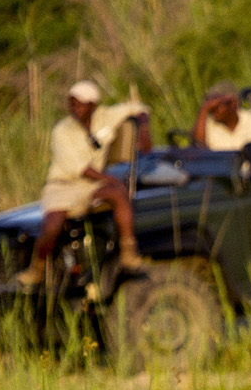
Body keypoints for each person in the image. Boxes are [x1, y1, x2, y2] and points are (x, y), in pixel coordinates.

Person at [16, 80, 150, 288]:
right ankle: (37, 268)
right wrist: (111, 179)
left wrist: (143, 129)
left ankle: (129, 252)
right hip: (64, 185)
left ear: (93, 105)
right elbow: (79, 168)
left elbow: (139, 108)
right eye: (72, 103)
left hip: (91, 185)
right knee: (52, 226)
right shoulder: (62, 131)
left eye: (80, 104)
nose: (75, 108)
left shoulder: (105, 117)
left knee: (118, 194)